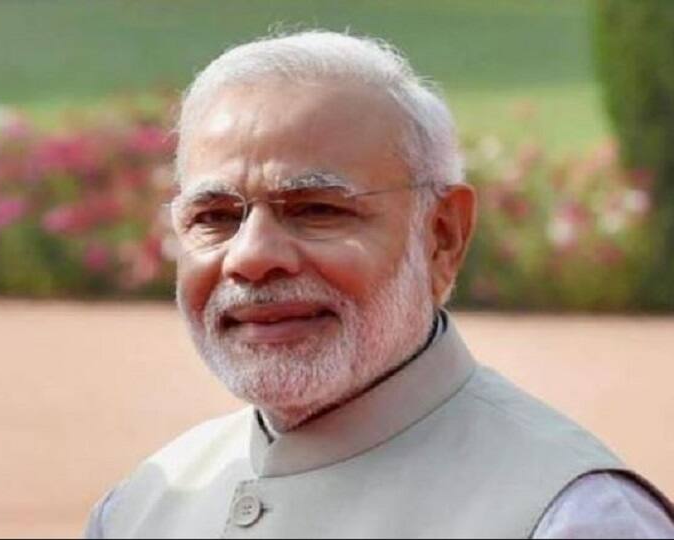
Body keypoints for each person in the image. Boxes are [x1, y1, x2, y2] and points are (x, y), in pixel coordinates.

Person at [85, 31, 674, 539]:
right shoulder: (142, 510)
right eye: (214, 217)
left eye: (316, 209)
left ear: (441, 235)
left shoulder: (571, 518)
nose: (252, 257)